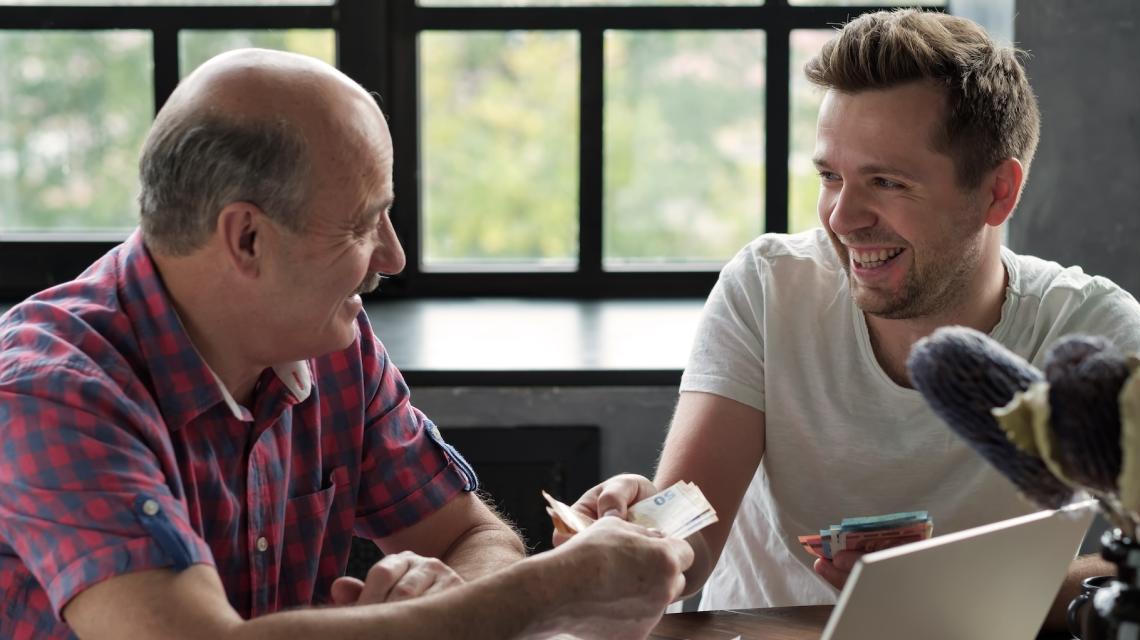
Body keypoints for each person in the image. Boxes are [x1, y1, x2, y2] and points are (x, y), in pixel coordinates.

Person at [0, 48, 692, 640]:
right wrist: (552, 591)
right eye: (363, 225)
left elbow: (476, 537)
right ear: (248, 239)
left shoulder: (332, 343)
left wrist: (443, 596)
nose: (392, 257)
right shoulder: (49, 390)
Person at [557, 8, 1140, 630]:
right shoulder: (768, 287)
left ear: (998, 192)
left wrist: (948, 588)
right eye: (831, 176)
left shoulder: (1090, 330)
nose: (841, 216)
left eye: (887, 182)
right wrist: (632, 538)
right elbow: (688, 544)